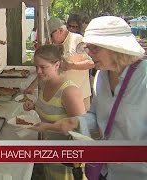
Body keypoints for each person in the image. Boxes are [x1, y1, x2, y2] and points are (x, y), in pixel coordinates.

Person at [33, 16, 147, 180]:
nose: (89, 54)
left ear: (115, 48)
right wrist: (77, 121)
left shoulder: (143, 78)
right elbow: (96, 115)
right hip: (104, 170)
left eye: (94, 49)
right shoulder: (101, 76)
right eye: (88, 48)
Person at [24, 44, 86, 180]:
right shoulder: (45, 83)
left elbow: (82, 129)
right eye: (36, 67)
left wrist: (49, 127)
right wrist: (34, 106)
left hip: (66, 162)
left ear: (57, 65)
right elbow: (51, 109)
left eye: (43, 67)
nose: (38, 71)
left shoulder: (69, 91)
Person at [25, 17, 94, 111]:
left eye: (51, 35)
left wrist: (71, 66)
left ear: (60, 31)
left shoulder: (78, 40)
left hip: (79, 95)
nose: (50, 39)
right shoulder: (54, 45)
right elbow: (45, 67)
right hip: (60, 95)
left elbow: (92, 63)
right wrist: (32, 86)